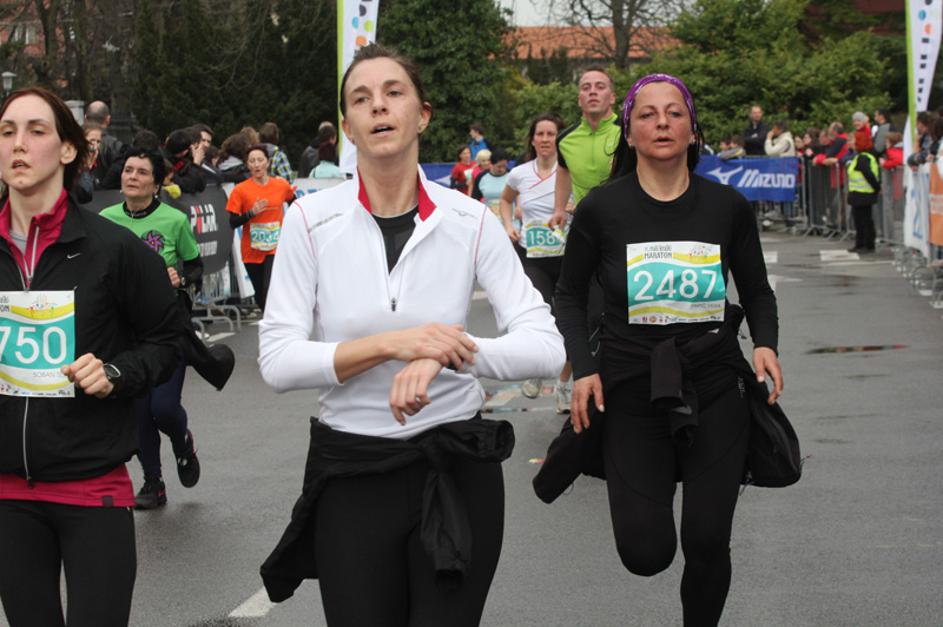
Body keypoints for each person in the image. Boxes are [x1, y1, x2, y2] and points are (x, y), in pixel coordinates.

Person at [257, 43, 564, 626]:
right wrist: (394, 344)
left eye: (393, 92)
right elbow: (277, 359)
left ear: (422, 115)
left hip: (455, 471)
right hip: (351, 474)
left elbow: (546, 345)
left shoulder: (469, 219)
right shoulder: (309, 220)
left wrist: (450, 354)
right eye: (361, 99)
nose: (378, 106)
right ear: (348, 126)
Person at [551, 74, 782, 626]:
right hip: (631, 389)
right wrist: (584, 368)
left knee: (707, 539)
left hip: (715, 382)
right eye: (648, 114)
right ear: (628, 132)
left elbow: (755, 289)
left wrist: (766, 344)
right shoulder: (602, 209)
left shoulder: (726, 206)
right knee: (646, 552)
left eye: (675, 113)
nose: (662, 123)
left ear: (692, 130)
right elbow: (568, 294)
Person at [0, 87, 179, 627]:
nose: (18, 144)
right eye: (7, 131)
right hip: (7, 495)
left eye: (36, 131)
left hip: (91, 489)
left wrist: (116, 372)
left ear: (69, 150)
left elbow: (168, 340)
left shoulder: (113, 248)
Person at [100, 148, 205, 508]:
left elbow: (196, 267)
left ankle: (182, 442)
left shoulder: (174, 220)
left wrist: (180, 278)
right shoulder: (106, 219)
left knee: (163, 408)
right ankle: (153, 483)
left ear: (157, 183)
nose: (132, 177)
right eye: (128, 170)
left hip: (166, 326)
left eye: (142, 172)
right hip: (126, 331)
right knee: (140, 411)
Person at [498, 113, 574, 413]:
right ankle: (538, 368)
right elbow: (505, 200)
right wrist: (508, 226)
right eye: (540, 134)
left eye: (551, 134)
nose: (545, 139)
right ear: (532, 139)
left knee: (569, 320)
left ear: (559, 139)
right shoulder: (520, 174)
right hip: (533, 257)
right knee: (542, 315)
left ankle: (563, 385)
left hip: (568, 256)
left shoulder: (569, 171)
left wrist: (574, 207)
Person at [548, 67, 621, 230]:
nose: (592, 92)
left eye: (600, 87)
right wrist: (559, 209)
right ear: (579, 100)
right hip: (585, 224)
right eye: (586, 88)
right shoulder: (564, 139)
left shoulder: (630, 134)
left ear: (612, 98)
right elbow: (563, 169)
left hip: (624, 221)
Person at [225, 144, 295, 312]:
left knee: (269, 287)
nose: (256, 165)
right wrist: (251, 213)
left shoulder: (281, 186)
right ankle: (268, 317)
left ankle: (275, 320)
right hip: (252, 250)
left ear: (267, 163)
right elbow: (233, 222)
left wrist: (291, 227)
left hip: (275, 247)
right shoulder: (240, 190)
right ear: (247, 165)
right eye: (252, 161)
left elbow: (294, 202)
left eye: (260, 160)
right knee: (260, 293)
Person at [843, 130, 881, 253]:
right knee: (860, 220)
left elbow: (869, 175)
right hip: (859, 193)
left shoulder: (863, 158)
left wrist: (877, 188)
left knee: (864, 220)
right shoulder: (860, 157)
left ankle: (867, 244)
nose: (851, 143)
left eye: (854, 140)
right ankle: (860, 244)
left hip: (863, 193)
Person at [164, 129, 206, 194]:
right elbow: (187, 186)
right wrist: (196, 164)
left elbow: (201, 186)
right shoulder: (165, 162)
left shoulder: (187, 160)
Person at [470, 147, 509, 214]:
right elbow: (475, 199)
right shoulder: (481, 177)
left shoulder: (511, 175)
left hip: (509, 217)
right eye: (499, 167)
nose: (502, 169)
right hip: (489, 216)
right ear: (491, 164)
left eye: (504, 166)